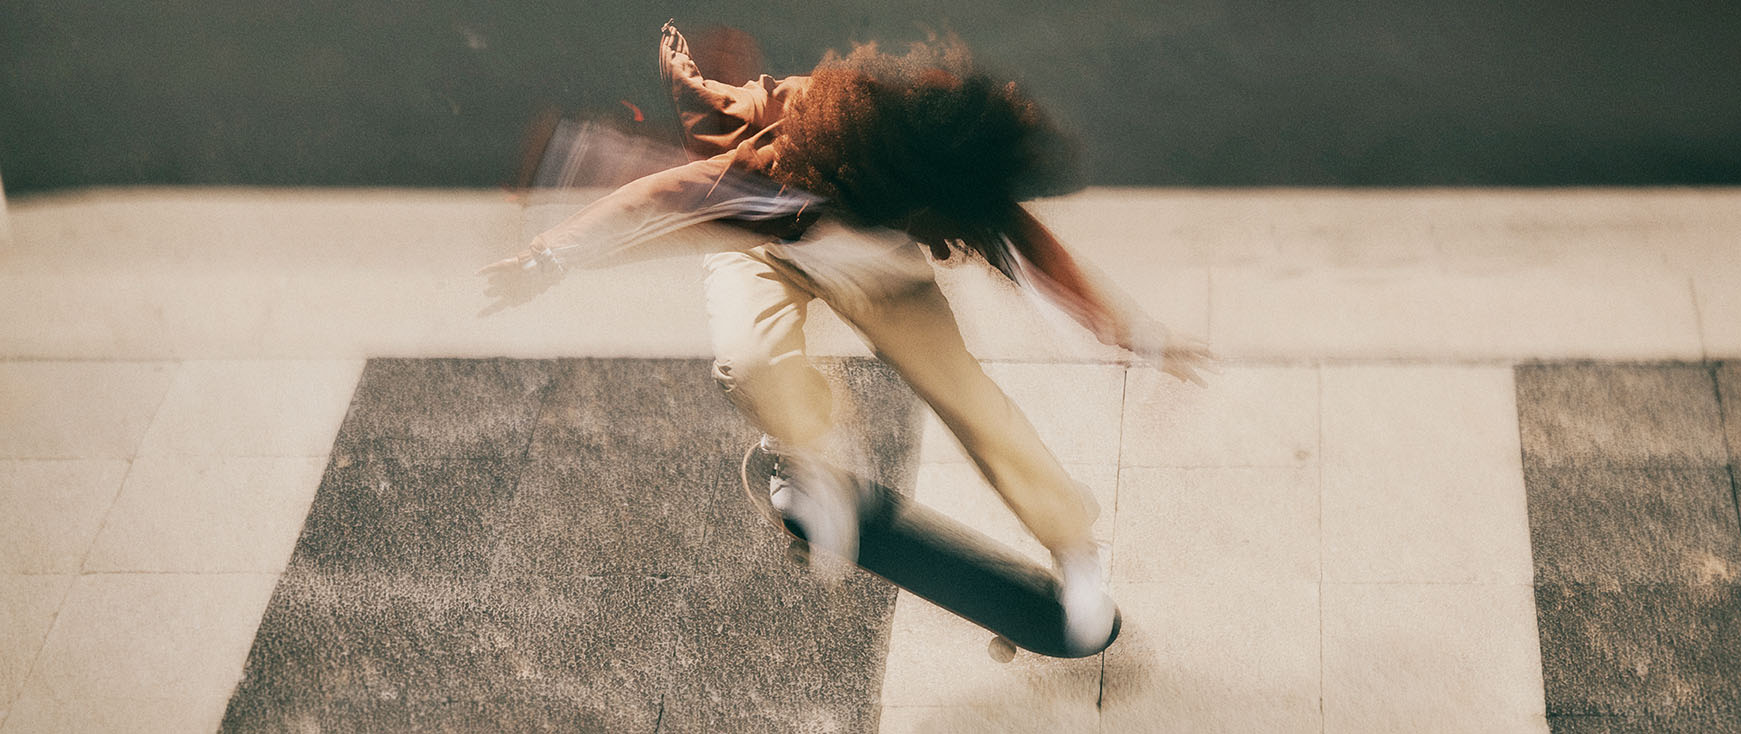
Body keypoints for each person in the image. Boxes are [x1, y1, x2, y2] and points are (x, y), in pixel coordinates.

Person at [482, 20, 1213, 654]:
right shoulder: (770, 174)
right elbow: (658, 197)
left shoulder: (932, 166)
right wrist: (548, 257)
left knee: (970, 399)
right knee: (751, 360)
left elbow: (1037, 259)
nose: (949, 242)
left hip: (875, 269)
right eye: (940, 227)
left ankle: (1075, 545)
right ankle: (808, 452)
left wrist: (1135, 336)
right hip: (764, 246)